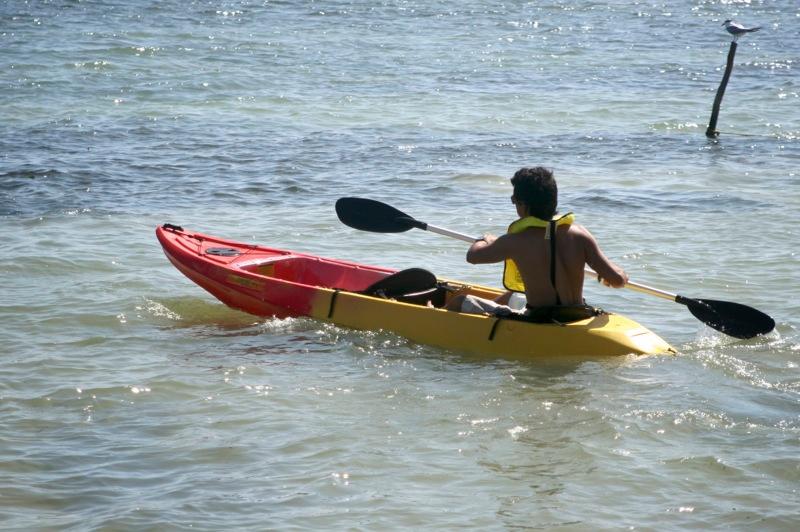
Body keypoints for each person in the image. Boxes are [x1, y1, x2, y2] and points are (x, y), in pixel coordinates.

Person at [445, 167, 628, 318]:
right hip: (578, 314)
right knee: (513, 295)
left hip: (539, 320)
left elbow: (473, 256)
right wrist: (615, 274)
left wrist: (485, 239)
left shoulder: (515, 241)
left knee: (459, 301)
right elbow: (618, 280)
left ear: (523, 205)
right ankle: (495, 309)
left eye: (514, 201)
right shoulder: (580, 234)